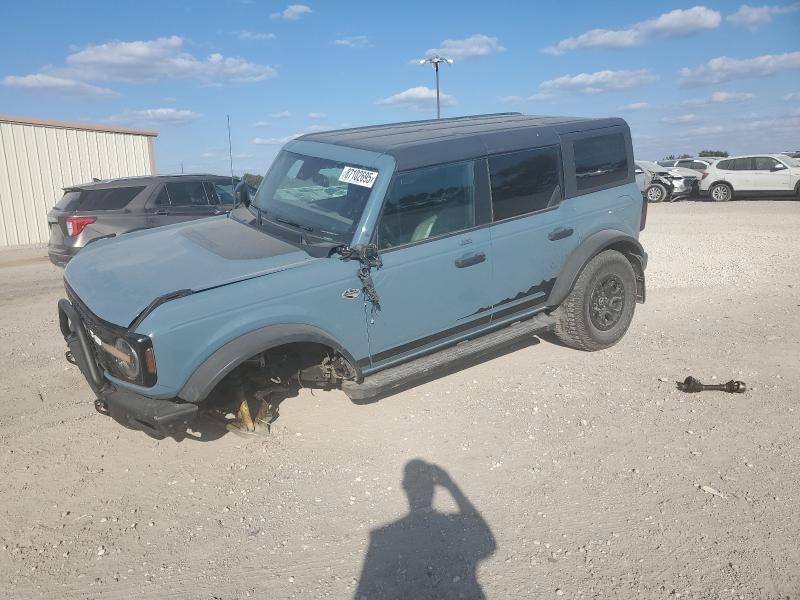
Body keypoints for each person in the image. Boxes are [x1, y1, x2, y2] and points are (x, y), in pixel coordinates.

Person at [355, 460, 496, 600]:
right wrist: (452, 487)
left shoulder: (381, 536)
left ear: (404, 486)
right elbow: (487, 543)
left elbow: (364, 589)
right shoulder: (451, 522)